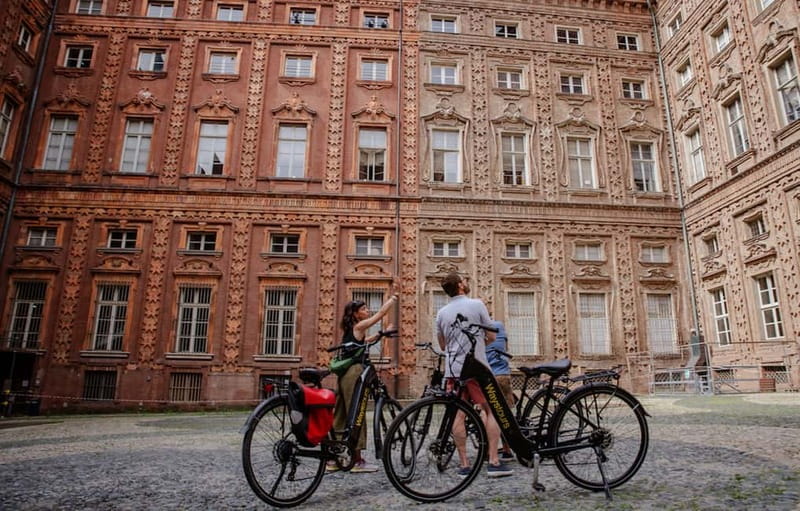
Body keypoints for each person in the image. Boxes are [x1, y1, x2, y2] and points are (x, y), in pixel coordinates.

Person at [435, 272, 513, 478]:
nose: (467, 282)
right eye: (464, 280)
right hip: (477, 368)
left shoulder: (441, 312)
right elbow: (492, 335)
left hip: (453, 370)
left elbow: (442, 345)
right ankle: (493, 461)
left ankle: (464, 464)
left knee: (458, 414)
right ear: (460, 285)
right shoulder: (477, 305)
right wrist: (479, 344)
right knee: (491, 411)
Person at [329, 292, 398, 473]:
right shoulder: (359, 326)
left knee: (342, 414)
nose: (367, 311)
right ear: (355, 313)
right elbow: (380, 314)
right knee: (357, 413)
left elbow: (365, 341)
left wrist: (381, 335)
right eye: (364, 309)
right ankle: (357, 460)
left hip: (344, 375)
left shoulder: (352, 330)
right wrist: (394, 298)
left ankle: (334, 459)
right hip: (355, 374)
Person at [486, 320, 516, 463]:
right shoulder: (500, 327)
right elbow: (505, 348)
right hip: (503, 375)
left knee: (487, 412)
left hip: (489, 377)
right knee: (506, 414)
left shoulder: (482, 332)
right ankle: (507, 449)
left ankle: (488, 450)